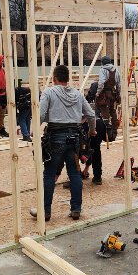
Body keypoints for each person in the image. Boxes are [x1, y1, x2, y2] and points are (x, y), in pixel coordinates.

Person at [31, 65, 96, 221]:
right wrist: (91, 130)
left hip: (55, 138)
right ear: (68, 79)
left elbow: (40, 115)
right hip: (74, 139)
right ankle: (76, 210)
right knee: (74, 174)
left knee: (49, 174)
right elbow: (91, 114)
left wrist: (34, 131)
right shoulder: (77, 94)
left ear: (54, 79)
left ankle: (45, 212)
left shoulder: (49, 92)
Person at [95, 55, 120, 141]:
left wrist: (98, 93)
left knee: (103, 111)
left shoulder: (102, 70)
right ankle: (114, 133)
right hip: (112, 94)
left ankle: (107, 133)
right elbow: (118, 84)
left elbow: (101, 83)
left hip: (104, 95)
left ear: (102, 63)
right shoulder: (116, 70)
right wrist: (118, 94)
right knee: (113, 111)